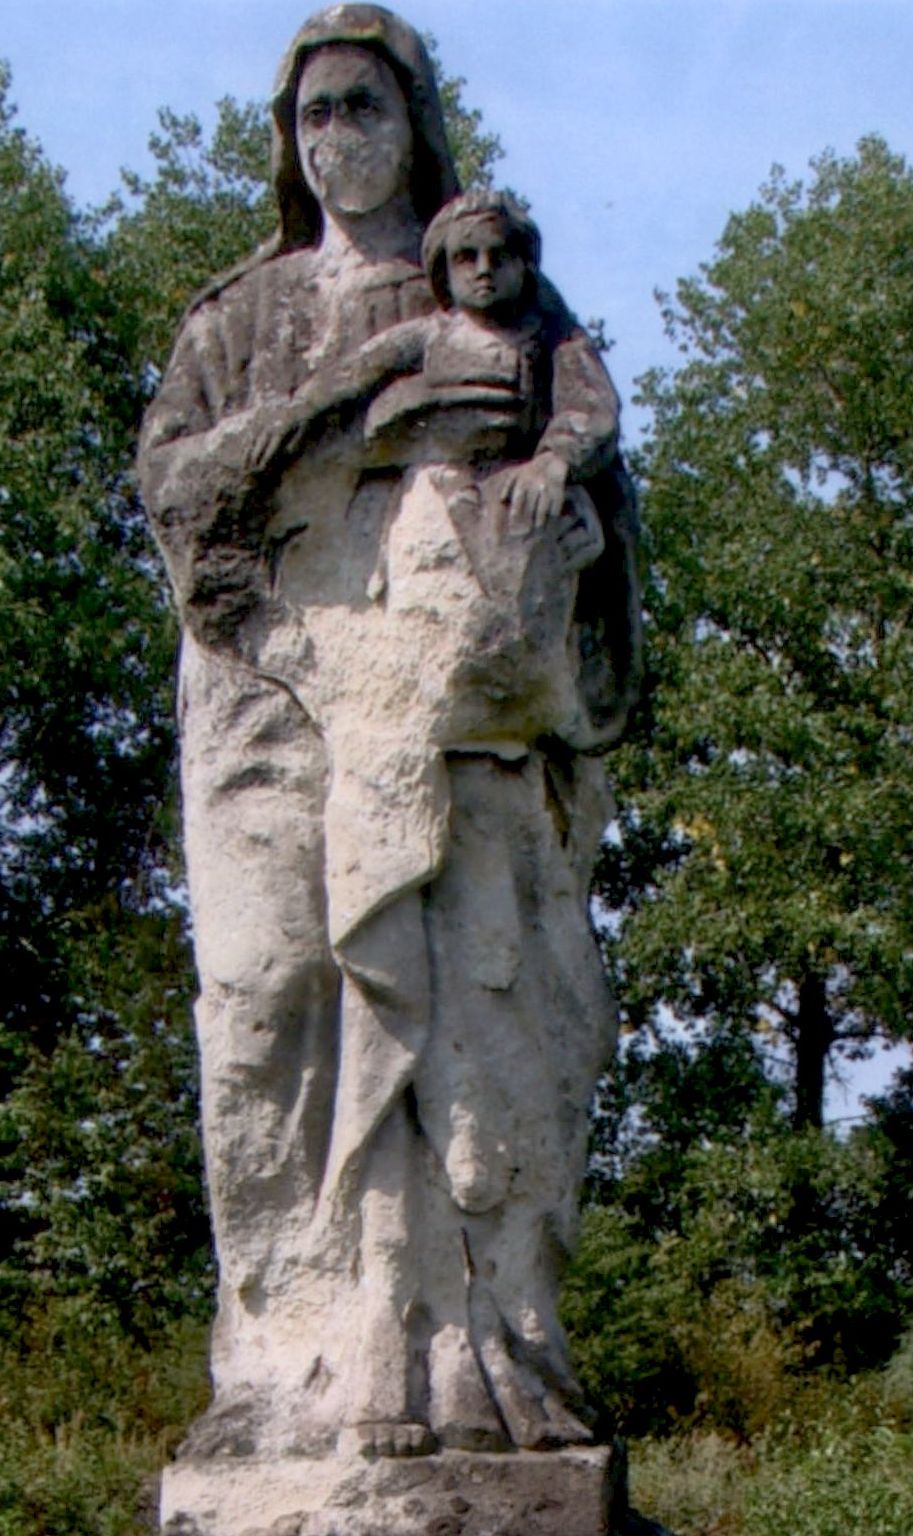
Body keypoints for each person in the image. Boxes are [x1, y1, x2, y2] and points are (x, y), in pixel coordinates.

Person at [139, 7, 639, 1458]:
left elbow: (596, 496)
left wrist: (557, 527)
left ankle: (455, 1343)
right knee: (261, 997)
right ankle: (279, 1355)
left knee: (473, 1009)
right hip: (270, 703)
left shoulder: (507, 299)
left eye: (360, 106)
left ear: (414, 118)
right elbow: (177, 497)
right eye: (311, 116)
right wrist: (353, 411)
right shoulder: (242, 317)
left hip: (451, 715)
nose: (334, 137)